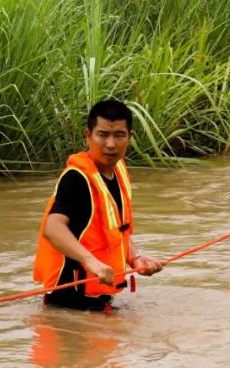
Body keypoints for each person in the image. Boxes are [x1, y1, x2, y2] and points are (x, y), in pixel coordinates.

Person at [33, 99, 164, 312]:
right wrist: (89, 261)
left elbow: (114, 231)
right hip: (69, 304)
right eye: (102, 135)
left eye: (118, 135)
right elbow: (52, 227)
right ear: (88, 136)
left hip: (99, 299)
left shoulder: (119, 170)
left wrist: (135, 258)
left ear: (129, 138)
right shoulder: (76, 179)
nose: (110, 144)